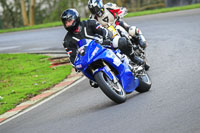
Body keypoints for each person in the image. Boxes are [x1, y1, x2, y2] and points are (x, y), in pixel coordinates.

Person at [61, 8, 145, 66]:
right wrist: (76, 65)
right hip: (90, 58)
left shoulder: (90, 23)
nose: (67, 24)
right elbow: (73, 58)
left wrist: (108, 37)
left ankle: (133, 58)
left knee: (122, 41)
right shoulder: (67, 41)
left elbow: (104, 32)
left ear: (76, 18)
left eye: (69, 21)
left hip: (104, 45)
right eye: (65, 23)